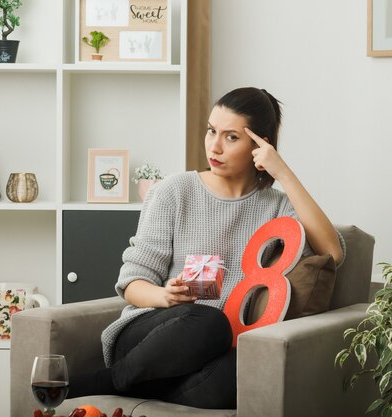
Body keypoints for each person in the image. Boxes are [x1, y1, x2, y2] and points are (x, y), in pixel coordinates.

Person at [67, 87, 345, 409]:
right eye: (212, 131)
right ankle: (111, 379)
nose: (214, 147)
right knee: (210, 323)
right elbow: (131, 283)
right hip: (154, 332)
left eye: (231, 137)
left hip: (214, 350)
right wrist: (164, 296)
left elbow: (333, 253)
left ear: (260, 145)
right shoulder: (174, 191)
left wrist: (282, 172)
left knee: (245, 369)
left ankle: (138, 387)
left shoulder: (277, 207)